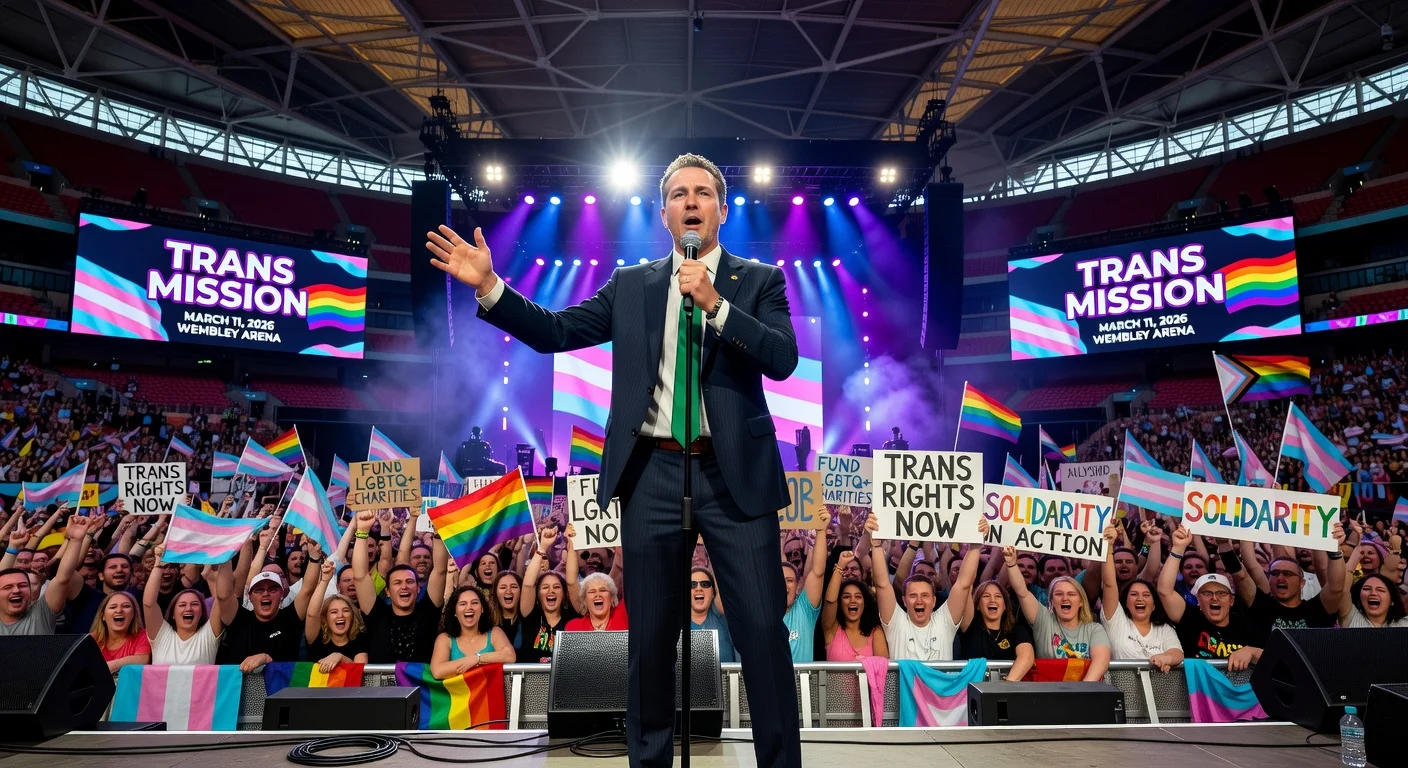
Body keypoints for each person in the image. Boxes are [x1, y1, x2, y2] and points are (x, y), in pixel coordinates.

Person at [428, 153, 803, 768]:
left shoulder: (758, 280)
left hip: (734, 474)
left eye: (702, 193)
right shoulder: (633, 285)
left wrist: (715, 304)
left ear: (721, 210)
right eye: (678, 193)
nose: (690, 202)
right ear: (663, 213)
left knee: (763, 631)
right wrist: (491, 287)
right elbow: (555, 331)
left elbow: (783, 358)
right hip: (651, 471)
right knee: (650, 641)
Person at [866, 515, 986, 661]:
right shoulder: (896, 622)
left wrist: (975, 545)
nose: (919, 601)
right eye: (913, 595)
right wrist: (876, 544)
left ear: (934, 600)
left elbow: (963, 584)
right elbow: (882, 584)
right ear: (904, 600)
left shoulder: (944, 622)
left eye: (925, 595)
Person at [1157, 526, 1264, 671]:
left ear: (1231, 600)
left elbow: (1273, 656)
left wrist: (1252, 652)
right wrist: (1178, 548)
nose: (1214, 598)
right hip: (1198, 686)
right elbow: (1165, 591)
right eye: (1207, 593)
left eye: (1221, 593)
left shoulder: (1245, 623)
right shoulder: (1190, 619)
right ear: (1198, 600)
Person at [217, 523, 320, 671]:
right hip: (240, 686)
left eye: (272, 589)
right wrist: (225, 553)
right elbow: (224, 596)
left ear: (282, 594)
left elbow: (307, 590)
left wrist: (314, 557)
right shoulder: (240, 620)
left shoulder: (290, 618)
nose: (265, 593)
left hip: (281, 686)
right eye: (259, 590)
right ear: (249, 596)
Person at [350, 510, 448, 663]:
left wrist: (438, 533)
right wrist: (362, 531)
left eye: (410, 582)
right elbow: (360, 576)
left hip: (421, 680)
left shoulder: (428, 611)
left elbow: (440, 571)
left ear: (418, 588)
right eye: (397, 582)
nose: (404, 586)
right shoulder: (377, 614)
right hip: (383, 680)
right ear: (387, 591)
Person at [1097, 524, 1181, 670]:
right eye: (1133, 594)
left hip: (1157, 685)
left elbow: (1177, 653)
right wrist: (1108, 547)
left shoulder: (1164, 629)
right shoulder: (1117, 622)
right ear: (1125, 602)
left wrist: (1168, 658)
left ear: (1154, 605)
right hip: (1123, 685)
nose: (1140, 599)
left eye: (1146, 595)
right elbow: (1109, 584)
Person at [1010, 562, 1111, 681]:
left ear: (1081, 602)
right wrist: (1011, 564)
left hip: (1085, 689)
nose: (1065, 598)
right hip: (1048, 690)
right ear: (1051, 602)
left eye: (1071, 594)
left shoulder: (1094, 629)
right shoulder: (1044, 620)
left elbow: (1101, 660)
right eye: (1059, 594)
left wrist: (1084, 688)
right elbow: (1022, 592)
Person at [0, 514, 90, 635]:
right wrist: (13, 548)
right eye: (8, 587)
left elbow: (62, 578)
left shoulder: (42, 613)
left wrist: (75, 540)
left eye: (22, 585)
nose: (16, 590)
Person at [142, 544, 230, 665]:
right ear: (173, 614)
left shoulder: (208, 636)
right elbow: (149, 603)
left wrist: (226, 554)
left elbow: (222, 598)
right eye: (182, 605)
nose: (188, 608)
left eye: (195, 604)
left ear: (202, 612)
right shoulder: (161, 635)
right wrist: (158, 563)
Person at [516, 526, 581, 662]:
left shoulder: (571, 617)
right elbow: (528, 585)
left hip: (564, 676)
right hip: (534, 676)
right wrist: (542, 547)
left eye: (556, 587)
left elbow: (571, 582)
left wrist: (571, 544)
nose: (551, 591)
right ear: (537, 595)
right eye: (545, 587)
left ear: (564, 595)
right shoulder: (531, 615)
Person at [958, 566, 1035, 681]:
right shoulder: (970, 626)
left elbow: (1027, 656)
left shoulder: (1016, 629)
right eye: (986, 596)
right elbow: (965, 588)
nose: (992, 600)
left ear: (1005, 606)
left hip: (1007, 687)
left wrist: (1005, 686)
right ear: (977, 605)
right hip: (971, 689)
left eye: (998, 596)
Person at [430, 585, 515, 680]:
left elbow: (510, 656)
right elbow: (438, 671)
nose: (469, 607)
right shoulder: (445, 638)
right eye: (463, 604)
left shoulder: (495, 632)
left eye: (474, 603)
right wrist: (469, 661)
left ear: (482, 609)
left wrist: (478, 658)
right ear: (455, 611)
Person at [820, 551, 888, 660]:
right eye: (846, 597)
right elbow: (830, 602)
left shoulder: (875, 631)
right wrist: (840, 566)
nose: (853, 601)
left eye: (858, 597)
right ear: (840, 603)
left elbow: (882, 668)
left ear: (865, 603)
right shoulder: (832, 629)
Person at [304, 560, 369, 669]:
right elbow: (312, 614)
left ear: (352, 616)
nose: (340, 615)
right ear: (325, 617)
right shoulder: (317, 636)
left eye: (346, 610)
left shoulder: (359, 638)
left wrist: (340, 657)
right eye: (334, 612)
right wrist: (325, 580)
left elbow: (359, 670)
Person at [90, 591, 150, 675]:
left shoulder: (142, 635)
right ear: (103, 616)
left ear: (133, 614)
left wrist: (111, 666)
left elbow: (142, 659)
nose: (119, 610)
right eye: (113, 607)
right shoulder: (91, 640)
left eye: (126, 606)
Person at [688, 566, 736, 663]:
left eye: (705, 584)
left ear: (713, 593)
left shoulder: (720, 615)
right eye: (692, 585)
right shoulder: (675, 621)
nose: (699, 588)